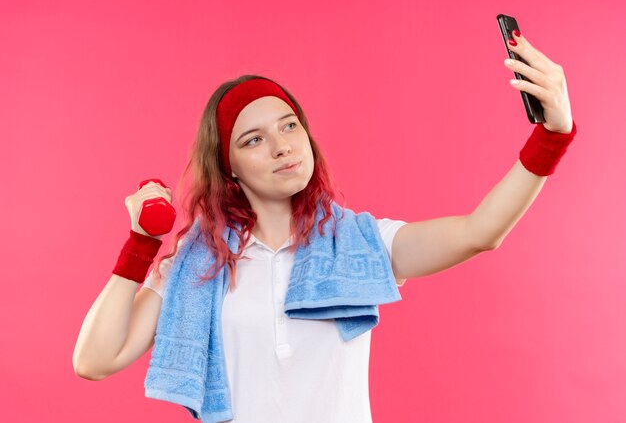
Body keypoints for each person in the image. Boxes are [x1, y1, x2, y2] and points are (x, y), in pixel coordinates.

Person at [73, 30, 576, 422]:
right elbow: (95, 360)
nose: (281, 146)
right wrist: (141, 244)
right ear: (228, 167)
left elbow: (479, 232)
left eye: (290, 125)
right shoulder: (194, 267)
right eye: (253, 139)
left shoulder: (363, 243)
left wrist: (553, 134)